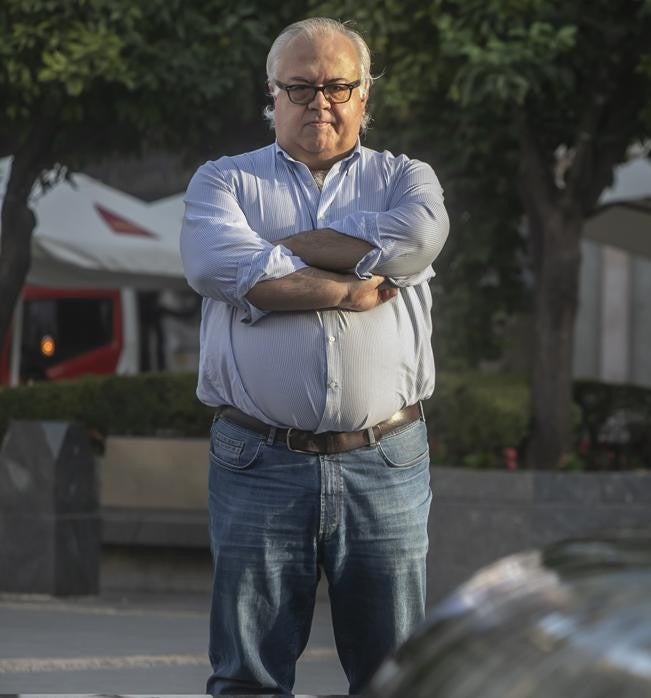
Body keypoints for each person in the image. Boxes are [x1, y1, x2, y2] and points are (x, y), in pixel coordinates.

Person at [179, 17, 449, 694]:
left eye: (337, 86)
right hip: (258, 458)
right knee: (247, 679)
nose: (319, 101)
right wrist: (350, 287)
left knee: (395, 678)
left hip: (385, 459)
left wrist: (280, 249)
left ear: (365, 94)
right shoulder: (223, 181)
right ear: (271, 94)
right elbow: (213, 264)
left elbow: (418, 239)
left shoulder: (406, 178)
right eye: (299, 87)